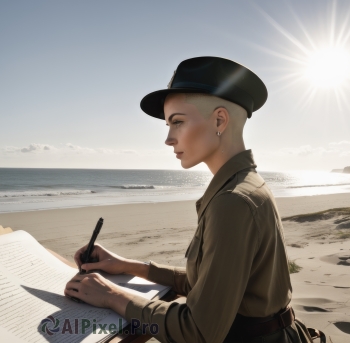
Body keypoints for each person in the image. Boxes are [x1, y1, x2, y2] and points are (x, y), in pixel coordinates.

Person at [64, 57, 324, 343]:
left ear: (219, 120)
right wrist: (127, 265)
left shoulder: (233, 201)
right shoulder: (245, 185)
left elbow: (198, 332)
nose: (168, 139)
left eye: (177, 122)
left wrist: (111, 295)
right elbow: (203, 285)